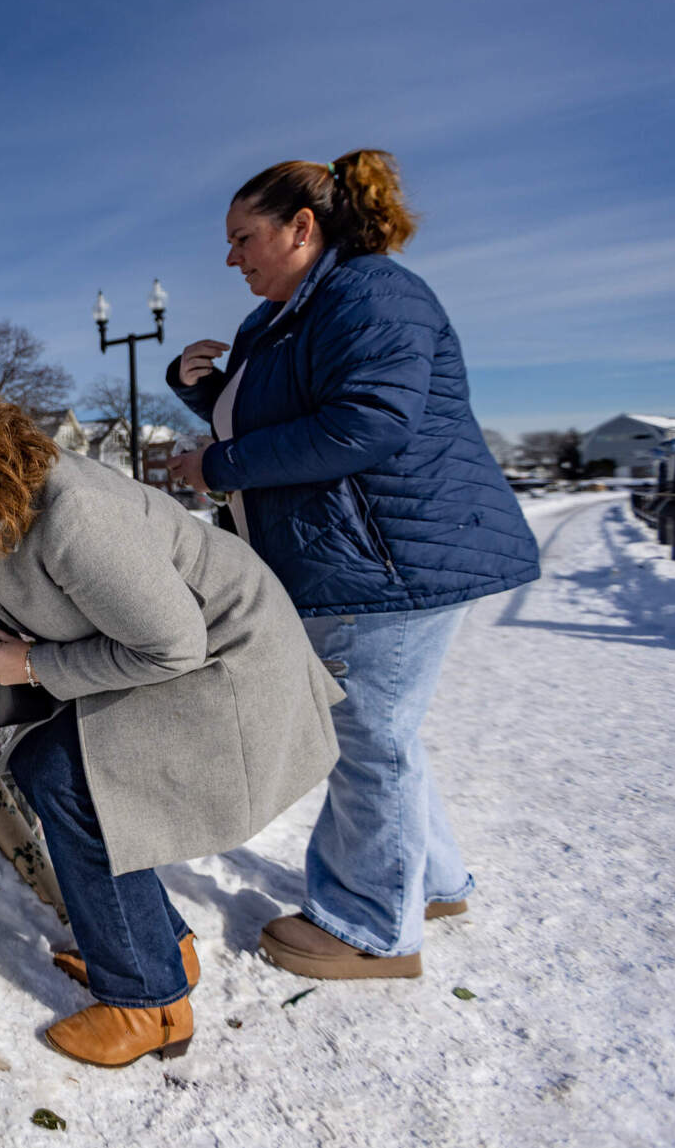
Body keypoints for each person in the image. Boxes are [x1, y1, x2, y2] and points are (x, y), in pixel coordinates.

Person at [0, 386, 341, 1067]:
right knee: (49, 768)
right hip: (165, 650)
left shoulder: (75, 517)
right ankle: (158, 944)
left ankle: (148, 1000)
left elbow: (174, 645)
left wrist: (34, 664)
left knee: (70, 780)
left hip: (222, 658)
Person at [165, 149, 539, 980]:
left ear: (302, 227)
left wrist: (216, 467)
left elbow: (367, 422)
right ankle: (429, 881)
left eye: (242, 236)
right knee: (379, 732)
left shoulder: (371, 291)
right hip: (360, 557)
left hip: (384, 563)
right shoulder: (305, 308)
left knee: (367, 739)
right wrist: (210, 393)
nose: (231, 257)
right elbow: (295, 408)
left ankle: (371, 924)